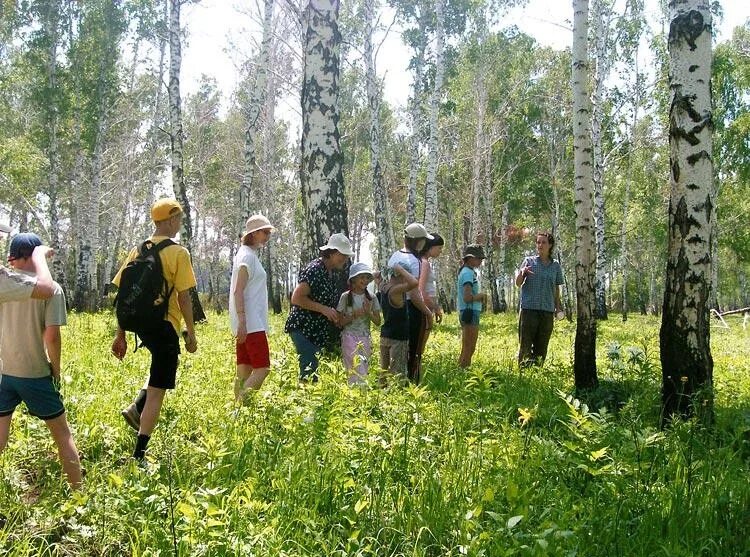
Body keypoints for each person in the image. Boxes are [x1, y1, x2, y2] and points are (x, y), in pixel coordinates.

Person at [111, 198, 198, 461]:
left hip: (141, 326)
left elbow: (123, 294)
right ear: (170, 220)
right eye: (179, 219)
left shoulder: (137, 250)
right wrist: (191, 333)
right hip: (164, 325)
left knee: (157, 369)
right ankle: (139, 454)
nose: (179, 223)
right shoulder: (178, 253)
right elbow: (184, 298)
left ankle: (137, 406)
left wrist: (121, 334)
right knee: (158, 389)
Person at [0, 233, 82, 489]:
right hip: (35, 372)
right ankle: (79, 495)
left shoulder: (5, 281)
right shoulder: (51, 289)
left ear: (14, 258)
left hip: (4, 372)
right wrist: (55, 371)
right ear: (36, 255)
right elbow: (53, 336)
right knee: (62, 434)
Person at [285, 233, 353, 382]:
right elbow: (296, 298)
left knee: (311, 371)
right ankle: (303, 403)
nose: (346, 259)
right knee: (309, 373)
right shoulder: (315, 269)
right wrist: (324, 309)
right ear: (332, 252)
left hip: (314, 331)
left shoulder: (329, 272)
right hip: (303, 328)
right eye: (343, 255)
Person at [229, 214, 275, 402]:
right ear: (254, 234)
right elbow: (238, 291)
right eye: (265, 232)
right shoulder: (247, 257)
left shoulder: (247, 254)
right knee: (262, 369)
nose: (268, 236)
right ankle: (240, 410)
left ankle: (237, 414)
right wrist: (242, 321)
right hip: (251, 323)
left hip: (247, 322)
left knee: (244, 370)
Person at [387, 223, 434, 384]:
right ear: (417, 241)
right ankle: (411, 383)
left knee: (397, 345)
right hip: (412, 310)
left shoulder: (394, 256)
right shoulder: (415, 261)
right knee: (414, 350)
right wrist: (427, 312)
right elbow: (414, 293)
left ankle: (394, 380)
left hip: (393, 307)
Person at [515, 231, 564, 367]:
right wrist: (522, 272)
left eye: (543, 242)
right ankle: (524, 372)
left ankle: (537, 373)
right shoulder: (529, 262)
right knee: (525, 344)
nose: (540, 245)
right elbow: (518, 283)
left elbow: (556, 288)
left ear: (550, 245)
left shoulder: (555, 265)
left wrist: (558, 307)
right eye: (538, 242)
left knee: (542, 346)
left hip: (547, 311)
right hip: (529, 310)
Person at [337, 262, 381, 386]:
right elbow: (340, 322)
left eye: (367, 277)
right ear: (353, 280)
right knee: (352, 366)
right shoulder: (345, 297)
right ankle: (354, 394)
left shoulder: (371, 297)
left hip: (365, 337)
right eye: (362, 277)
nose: (365, 280)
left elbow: (378, 322)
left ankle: (362, 396)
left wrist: (368, 313)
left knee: (363, 366)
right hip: (349, 336)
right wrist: (354, 315)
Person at [379, 263, 419, 385]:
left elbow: (376, 276)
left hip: (385, 335)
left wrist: (384, 271)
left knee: (383, 371)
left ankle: (381, 395)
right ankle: (396, 397)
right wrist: (401, 269)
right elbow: (414, 283)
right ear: (401, 276)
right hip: (398, 337)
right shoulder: (396, 290)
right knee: (397, 372)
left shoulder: (383, 286)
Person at [0, 223, 56, 302]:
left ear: (11, 260)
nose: (1, 236)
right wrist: (39, 255)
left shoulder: (7, 280)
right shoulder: (55, 288)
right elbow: (46, 290)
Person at [457, 244, 487, 368]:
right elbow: (467, 297)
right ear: (469, 258)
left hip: (469, 311)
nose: (480, 261)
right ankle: (463, 372)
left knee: (467, 346)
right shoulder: (468, 273)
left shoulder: (468, 272)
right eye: (478, 258)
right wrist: (480, 296)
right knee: (470, 346)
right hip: (470, 312)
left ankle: (460, 371)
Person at [418, 232, 445, 347]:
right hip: (425, 308)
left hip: (426, 308)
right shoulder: (424, 263)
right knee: (420, 344)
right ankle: (416, 365)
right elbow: (421, 291)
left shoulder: (422, 261)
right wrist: (436, 308)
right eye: (439, 248)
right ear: (430, 247)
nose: (440, 251)